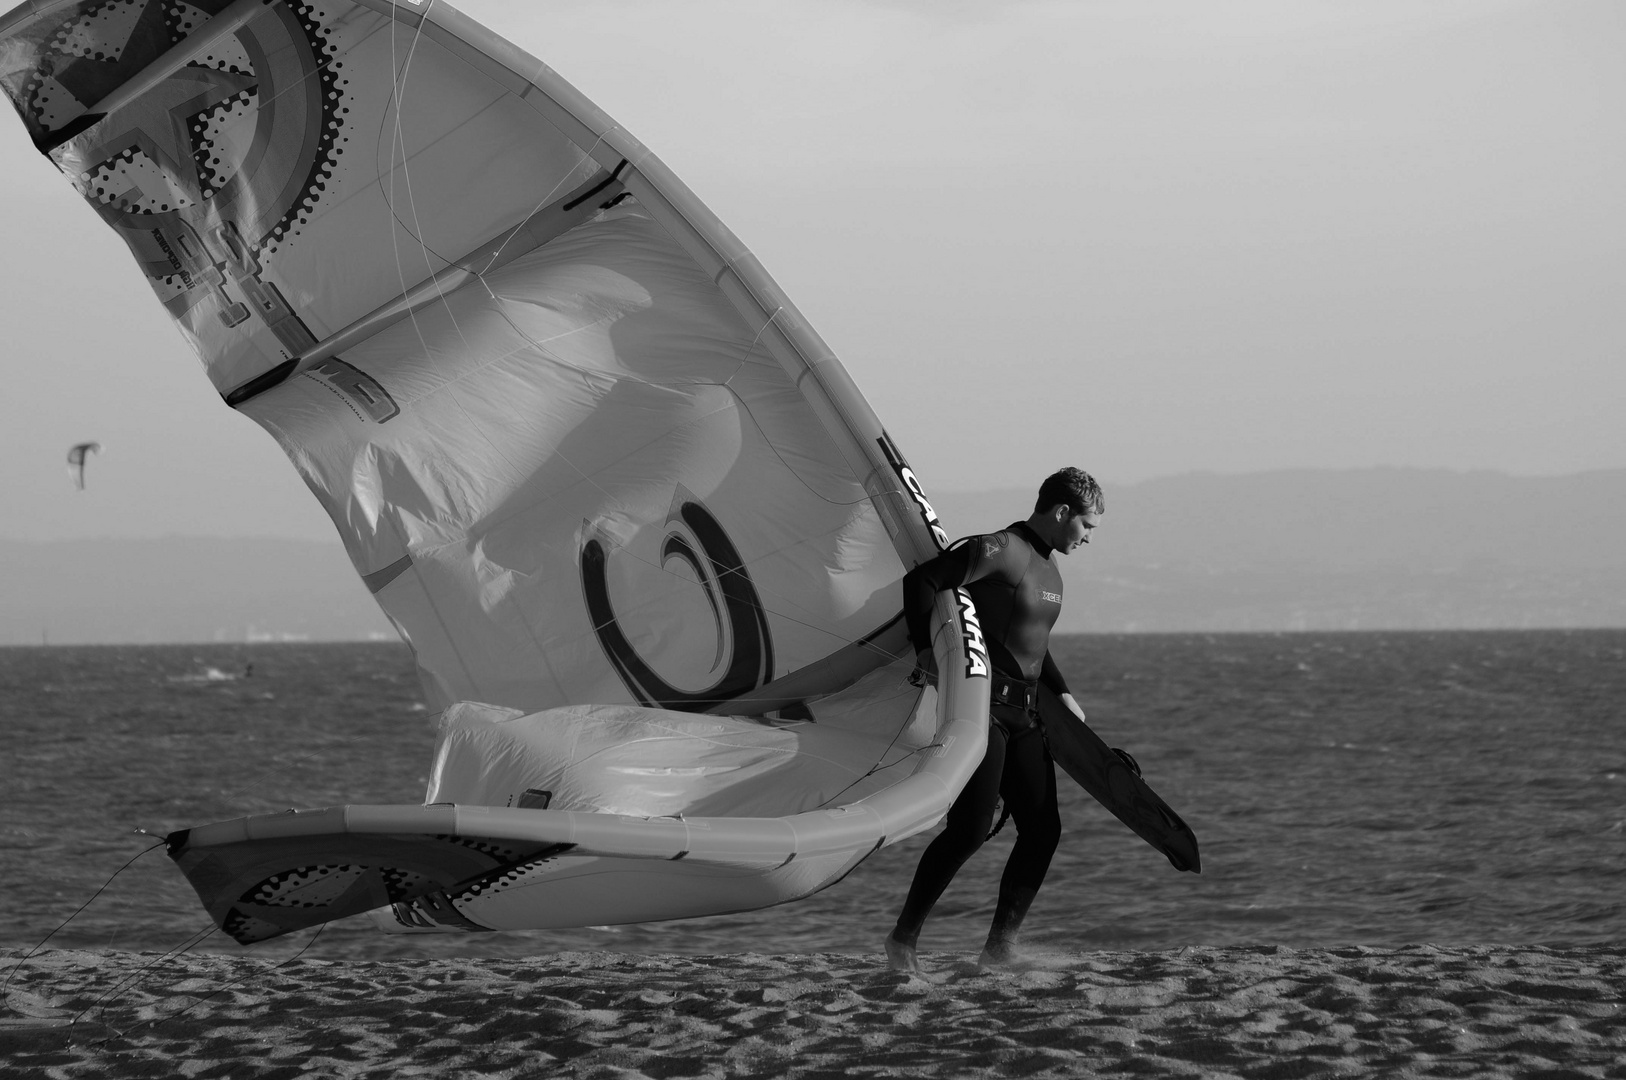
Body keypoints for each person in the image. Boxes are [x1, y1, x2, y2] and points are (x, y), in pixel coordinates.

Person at [884, 466, 1103, 972]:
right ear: (1062, 512)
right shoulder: (1002, 550)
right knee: (969, 828)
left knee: (1043, 829)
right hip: (983, 711)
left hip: (1026, 712)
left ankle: (999, 948)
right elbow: (923, 581)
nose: (1088, 537)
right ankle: (902, 940)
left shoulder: (1050, 571)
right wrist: (926, 654)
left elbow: (1032, 644)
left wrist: (1062, 692)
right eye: (1087, 526)